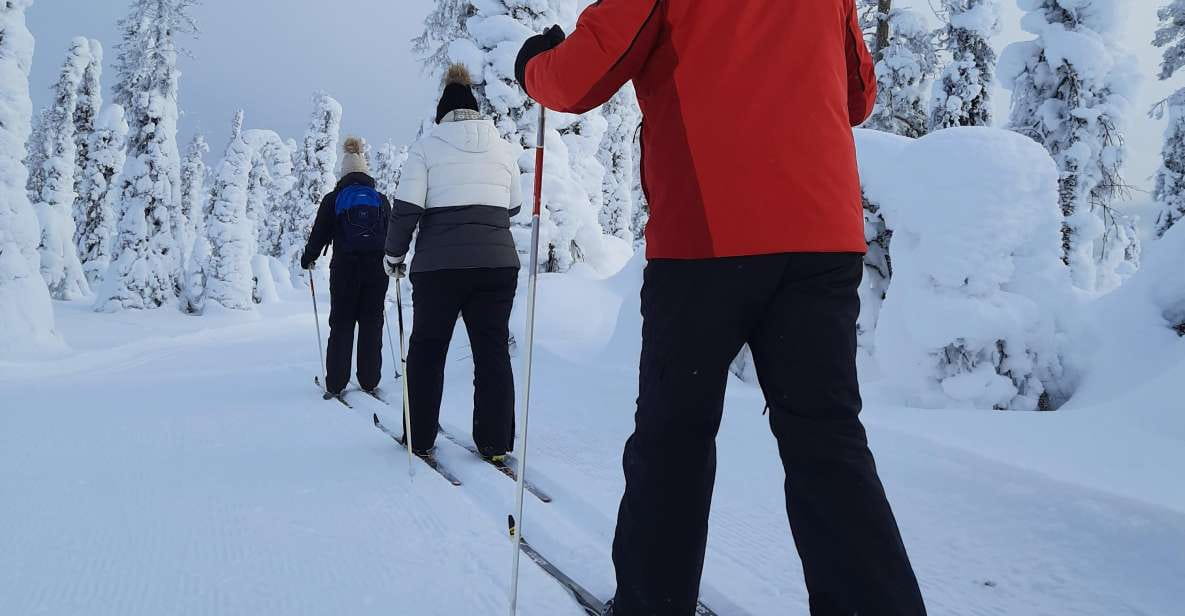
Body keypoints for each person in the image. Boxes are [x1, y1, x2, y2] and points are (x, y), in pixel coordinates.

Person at [515, 2, 926, 615]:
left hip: (708, 238)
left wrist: (532, 66)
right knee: (826, 439)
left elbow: (577, 80)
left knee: (673, 437)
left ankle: (653, 604)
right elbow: (858, 95)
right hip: (820, 237)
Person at [383, 65, 523, 460]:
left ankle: (421, 437)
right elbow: (513, 205)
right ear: (474, 109)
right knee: (492, 349)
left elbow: (406, 209)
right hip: (497, 265)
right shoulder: (502, 147)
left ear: (441, 112)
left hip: (439, 268)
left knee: (428, 349)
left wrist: (394, 255)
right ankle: (495, 441)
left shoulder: (427, 147)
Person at [301, 136, 392, 398]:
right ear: (365, 171)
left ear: (343, 173)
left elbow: (319, 233)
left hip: (345, 269)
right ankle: (369, 379)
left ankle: (337, 382)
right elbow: (392, 234)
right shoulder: (380, 199)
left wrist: (309, 257)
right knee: (371, 322)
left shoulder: (334, 198)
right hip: (377, 270)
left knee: (341, 324)